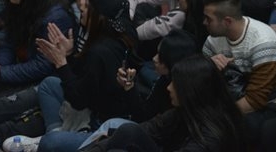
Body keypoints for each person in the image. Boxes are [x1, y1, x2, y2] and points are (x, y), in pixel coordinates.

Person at [1, 0, 138, 152]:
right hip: (95, 104)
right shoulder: (121, 34)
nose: (81, 5)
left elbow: (79, 100)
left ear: (99, 17)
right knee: (49, 85)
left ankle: (52, 140)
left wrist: (61, 62)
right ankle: (57, 132)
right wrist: (70, 54)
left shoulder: (100, 51)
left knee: (50, 142)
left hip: (101, 126)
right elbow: (85, 79)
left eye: (87, 6)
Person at [80, 54, 248, 152]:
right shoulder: (188, 111)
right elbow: (149, 127)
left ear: (190, 91)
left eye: (175, 83)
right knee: (125, 131)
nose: (168, 87)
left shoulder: (210, 139)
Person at [201, 0, 276, 120]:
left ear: (227, 21)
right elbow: (199, 77)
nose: (204, 22)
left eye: (208, 19)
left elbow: (255, 101)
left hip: (269, 102)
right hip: (232, 91)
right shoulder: (214, 38)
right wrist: (208, 65)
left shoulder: (263, 43)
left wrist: (215, 118)